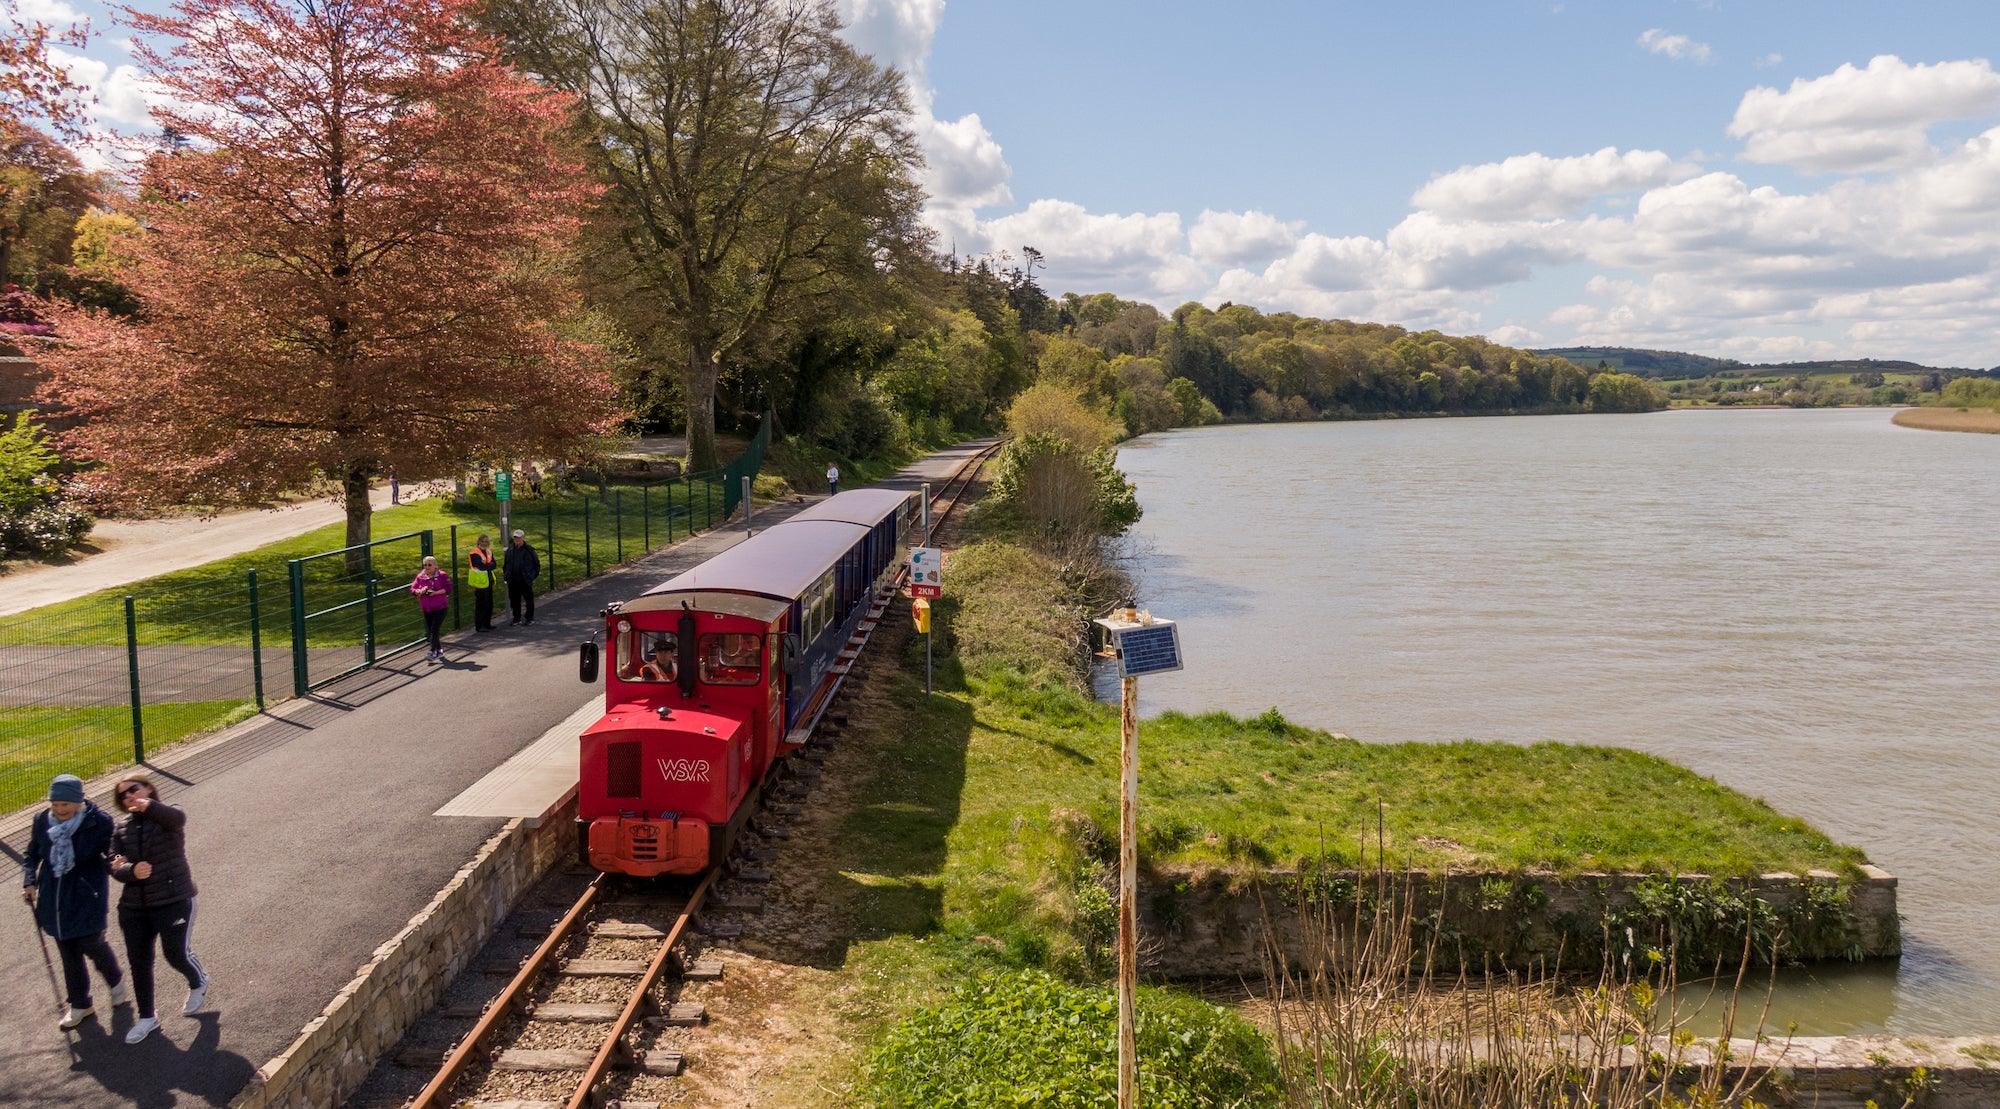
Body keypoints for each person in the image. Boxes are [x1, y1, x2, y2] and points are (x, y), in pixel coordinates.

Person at [23, 773, 127, 1032]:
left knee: (93, 945)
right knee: (68, 954)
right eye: (55, 805)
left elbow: (109, 852)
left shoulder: (98, 822)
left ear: (78, 802)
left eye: (65, 805)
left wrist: (114, 862)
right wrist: (29, 881)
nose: (59, 811)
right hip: (53, 899)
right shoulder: (41, 821)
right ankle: (81, 1004)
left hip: (86, 895)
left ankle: (114, 980)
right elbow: (32, 854)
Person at [108, 776, 207, 1044]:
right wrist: (130, 870)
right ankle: (147, 1018)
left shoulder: (167, 815)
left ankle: (198, 980)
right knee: (139, 962)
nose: (129, 795)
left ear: (148, 788)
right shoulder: (121, 828)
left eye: (133, 789)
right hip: (134, 908)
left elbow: (177, 820)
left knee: (175, 954)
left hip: (173, 900)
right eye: (123, 795)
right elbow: (114, 861)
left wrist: (148, 807)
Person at [410, 555, 451, 661]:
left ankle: (432, 651)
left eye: (429, 565)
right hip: (427, 608)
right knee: (432, 630)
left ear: (435, 565)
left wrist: (436, 593)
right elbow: (413, 589)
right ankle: (439, 650)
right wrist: (419, 591)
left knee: (434, 629)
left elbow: (448, 589)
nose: (427, 567)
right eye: (425, 565)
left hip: (440, 607)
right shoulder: (420, 576)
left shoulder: (442, 575)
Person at [503, 529, 540, 626]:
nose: (517, 540)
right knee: (515, 600)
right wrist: (506, 576)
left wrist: (531, 576)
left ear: (523, 538)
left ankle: (529, 618)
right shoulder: (510, 550)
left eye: (519, 538)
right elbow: (506, 564)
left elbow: (536, 565)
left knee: (529, 600)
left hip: (525, 579)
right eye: (515, 538)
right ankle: (517, 618)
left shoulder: (529, 550)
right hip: (513, 579)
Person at [467, 533, 497, 632]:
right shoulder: (474, 553)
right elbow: (480, 566)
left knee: (489, 604)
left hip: (488, 581)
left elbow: (494, 564)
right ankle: (480, 626)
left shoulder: (488, 551)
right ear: (479, 542)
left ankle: (487, 624)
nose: (485, 543)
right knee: (481, 605)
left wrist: (488, 565)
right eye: (483, 541)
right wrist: (489, 565)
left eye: (486, 541)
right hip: (480, 582)